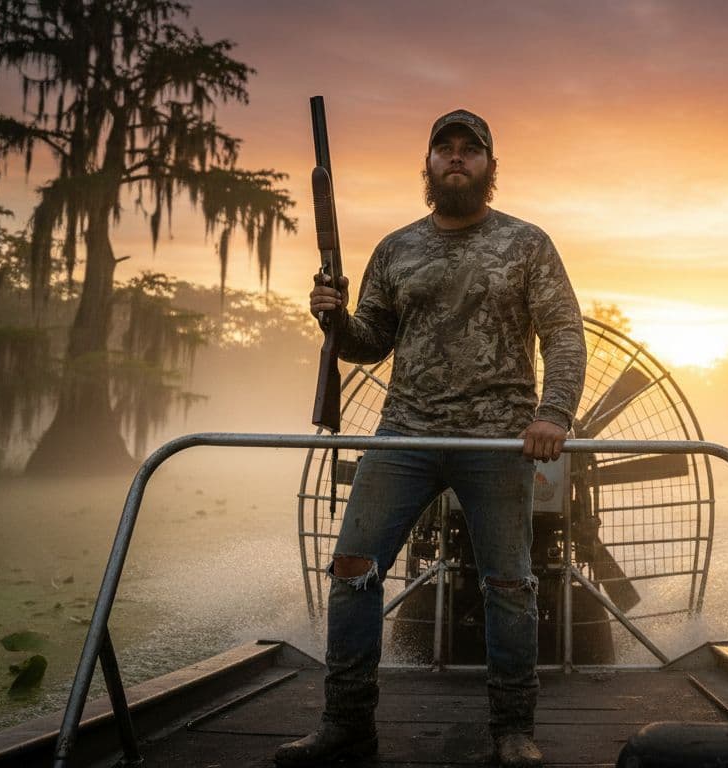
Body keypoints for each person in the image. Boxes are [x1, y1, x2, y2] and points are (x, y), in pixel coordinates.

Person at [276, 109, 586, 768]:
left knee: (510, 586)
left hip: (497, 440)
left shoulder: (527, 243)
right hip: (405, 433)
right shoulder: (395, 249)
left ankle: (512, 730)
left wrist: (553, 414)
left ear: (489, 168)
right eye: (443, 149)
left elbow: (562, 332)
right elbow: (370, 341)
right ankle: (346, 724)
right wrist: (332, 318)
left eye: (468, 151)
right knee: (352, 571)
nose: (455, 158)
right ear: (428, 166)